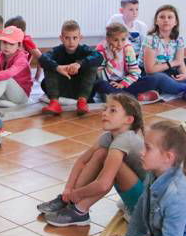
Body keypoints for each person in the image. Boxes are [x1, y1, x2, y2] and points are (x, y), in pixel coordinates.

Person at [37, 93, 145, 227]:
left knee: (111, 166)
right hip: (137, 196)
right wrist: (69, 189)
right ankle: (69, 201)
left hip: (147, 206)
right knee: (101, 153)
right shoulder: (108, 137)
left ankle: (80, 211)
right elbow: (82, 161)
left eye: (113, 110)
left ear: (128, 119)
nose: (105, 113)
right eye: (105, 108)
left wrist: (78, 193)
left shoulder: (125, 140)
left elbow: (104, 184)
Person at [39, 20, 103, 116]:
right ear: (61, 38)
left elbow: (99, 56)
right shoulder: (58, 50)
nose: (71, 41)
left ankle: (82, 102)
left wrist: (80, 64)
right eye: (67, 38)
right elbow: (42, 58)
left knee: (92, 66)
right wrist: (57, 68)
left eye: (74, 38)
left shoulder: (84, 49)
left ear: (80, 38)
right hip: (64, 86)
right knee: (49, 67)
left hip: (82, 88)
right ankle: (55, 103)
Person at [94, 22, 160, 102]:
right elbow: (101, 76)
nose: (120, 44)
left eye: (123, 39)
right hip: (110, 83)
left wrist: (123, 83)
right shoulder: (101, 50)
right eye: (115, 40)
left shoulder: (128, 49)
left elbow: (135, 72)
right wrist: (113, 60)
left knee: (153, 79)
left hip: (125, 82)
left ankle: (122, 98)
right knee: (100, 84)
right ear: (108, 39)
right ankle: (134, 98)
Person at [107, 0, 148, 66]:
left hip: (136, 56)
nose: (135, 12)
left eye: (137, 9)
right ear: (121, 10)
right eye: (131, 9)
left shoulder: (142, 26)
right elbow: (108, 38)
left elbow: (144, 46)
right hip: (119, 53)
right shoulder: (115, 20)